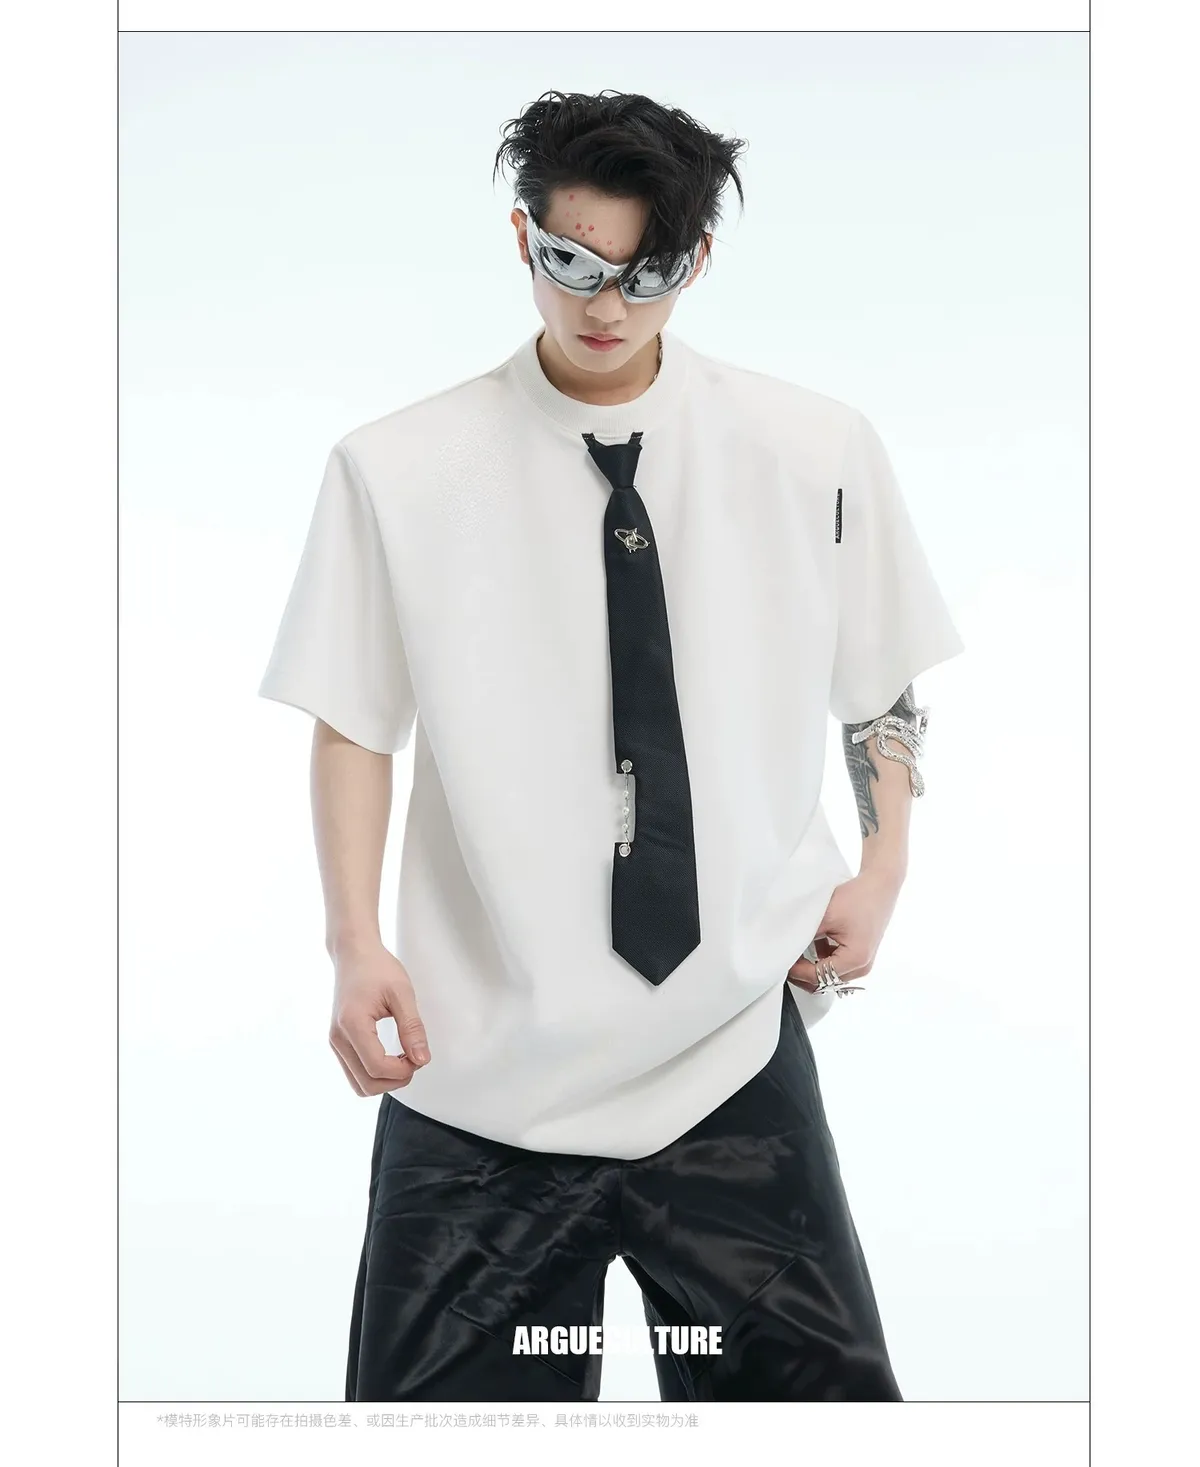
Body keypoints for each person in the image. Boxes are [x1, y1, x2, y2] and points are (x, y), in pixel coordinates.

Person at [257, 88, 965, 1402]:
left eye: (646, 274)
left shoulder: (812, 449)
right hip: (480, 1071)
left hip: (731, 1054)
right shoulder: (397, 469)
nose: (605, 306)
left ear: (696, 262)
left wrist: (886, 867)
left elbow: (880, 684)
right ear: (521, 236)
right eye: (572, 263)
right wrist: (354, 940)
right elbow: (353, 717)